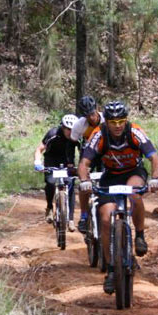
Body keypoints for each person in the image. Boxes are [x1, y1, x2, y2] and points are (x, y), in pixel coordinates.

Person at [77, 101, 158, 294]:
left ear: (126, 120)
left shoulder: (134, 132)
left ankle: (139, 236)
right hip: (110, 176)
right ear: (106, 121)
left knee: (134, 194)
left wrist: (155, 178)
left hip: (133, 172)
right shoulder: (98, 134)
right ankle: (111, 269)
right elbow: (84, 162)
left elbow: (154, 157)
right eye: (113, 122)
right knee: (106, 218)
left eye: (121, 121)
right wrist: (84, 180)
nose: (117, 126)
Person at [34, 114, 80, 231]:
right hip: (51, 160)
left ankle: (70, 219)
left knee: (70, 185)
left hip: (67, 161)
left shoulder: (77, 136)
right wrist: (37, 162)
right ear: (62, 128)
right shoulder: (53, 134)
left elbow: (84, 151)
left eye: (73, 129)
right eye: (68, 129)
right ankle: (49, 207)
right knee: (50, 183)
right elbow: (39, 149)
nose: (70, 132)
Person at [70, 95, 105, 235]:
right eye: (87, 115)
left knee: (107, 179)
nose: (91, 117)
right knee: (84, 184)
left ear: (97, 109)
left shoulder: (106, 120)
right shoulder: (79, 125)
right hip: (88, 154)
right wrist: (70, 162)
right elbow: (71, 144)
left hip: (104, 153)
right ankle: (84, 216)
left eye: (92, 113)